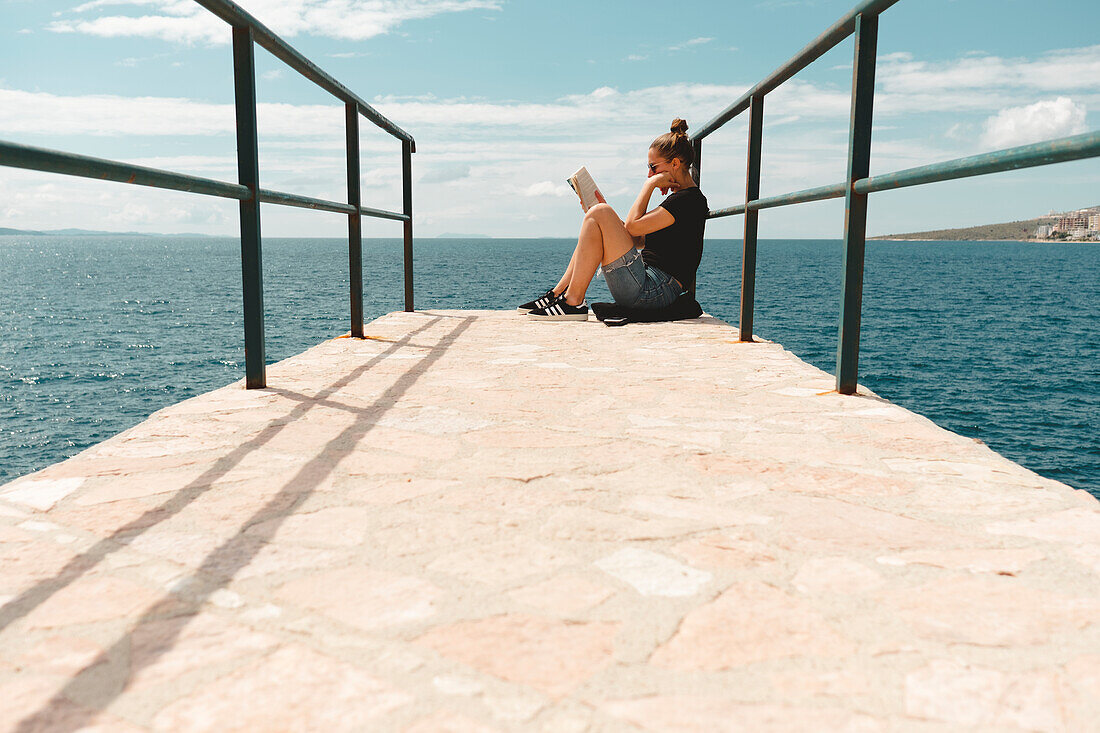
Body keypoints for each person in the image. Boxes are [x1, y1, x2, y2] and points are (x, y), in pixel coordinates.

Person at [520, 118, 708, 321]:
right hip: (647, 284)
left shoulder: (689, 201)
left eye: (653, 168)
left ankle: (572, 301)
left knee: (601, 212)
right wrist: (602, 216)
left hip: (655, 291)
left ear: (675, 164)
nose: (649, 174)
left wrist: (650, 186)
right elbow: (637, 239)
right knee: (596, 216)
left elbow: (633, 227)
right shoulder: (679, 201)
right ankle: (560, 294)